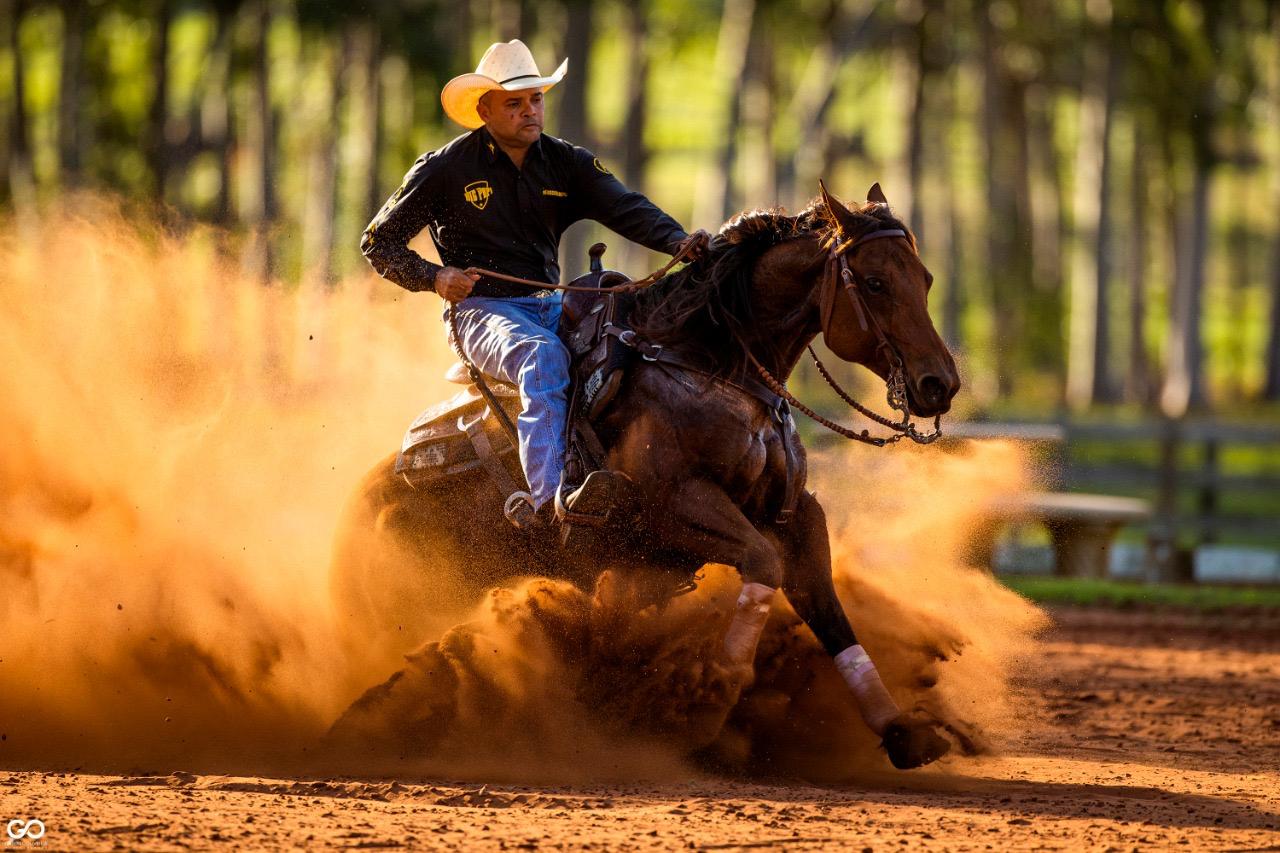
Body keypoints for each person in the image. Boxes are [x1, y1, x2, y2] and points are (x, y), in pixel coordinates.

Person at [361, 39, 708, 529]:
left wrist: (678, 242)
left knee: (631, 343)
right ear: (484, 109)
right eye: (515, 103)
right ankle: (551, 504)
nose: (530, 111)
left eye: (536, 100)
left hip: (551, 303)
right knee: (541, 355)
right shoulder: (444, 169)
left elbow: (627, 208)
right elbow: (378, 241)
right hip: (479, 313)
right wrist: (436, 277)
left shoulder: (567, 162)